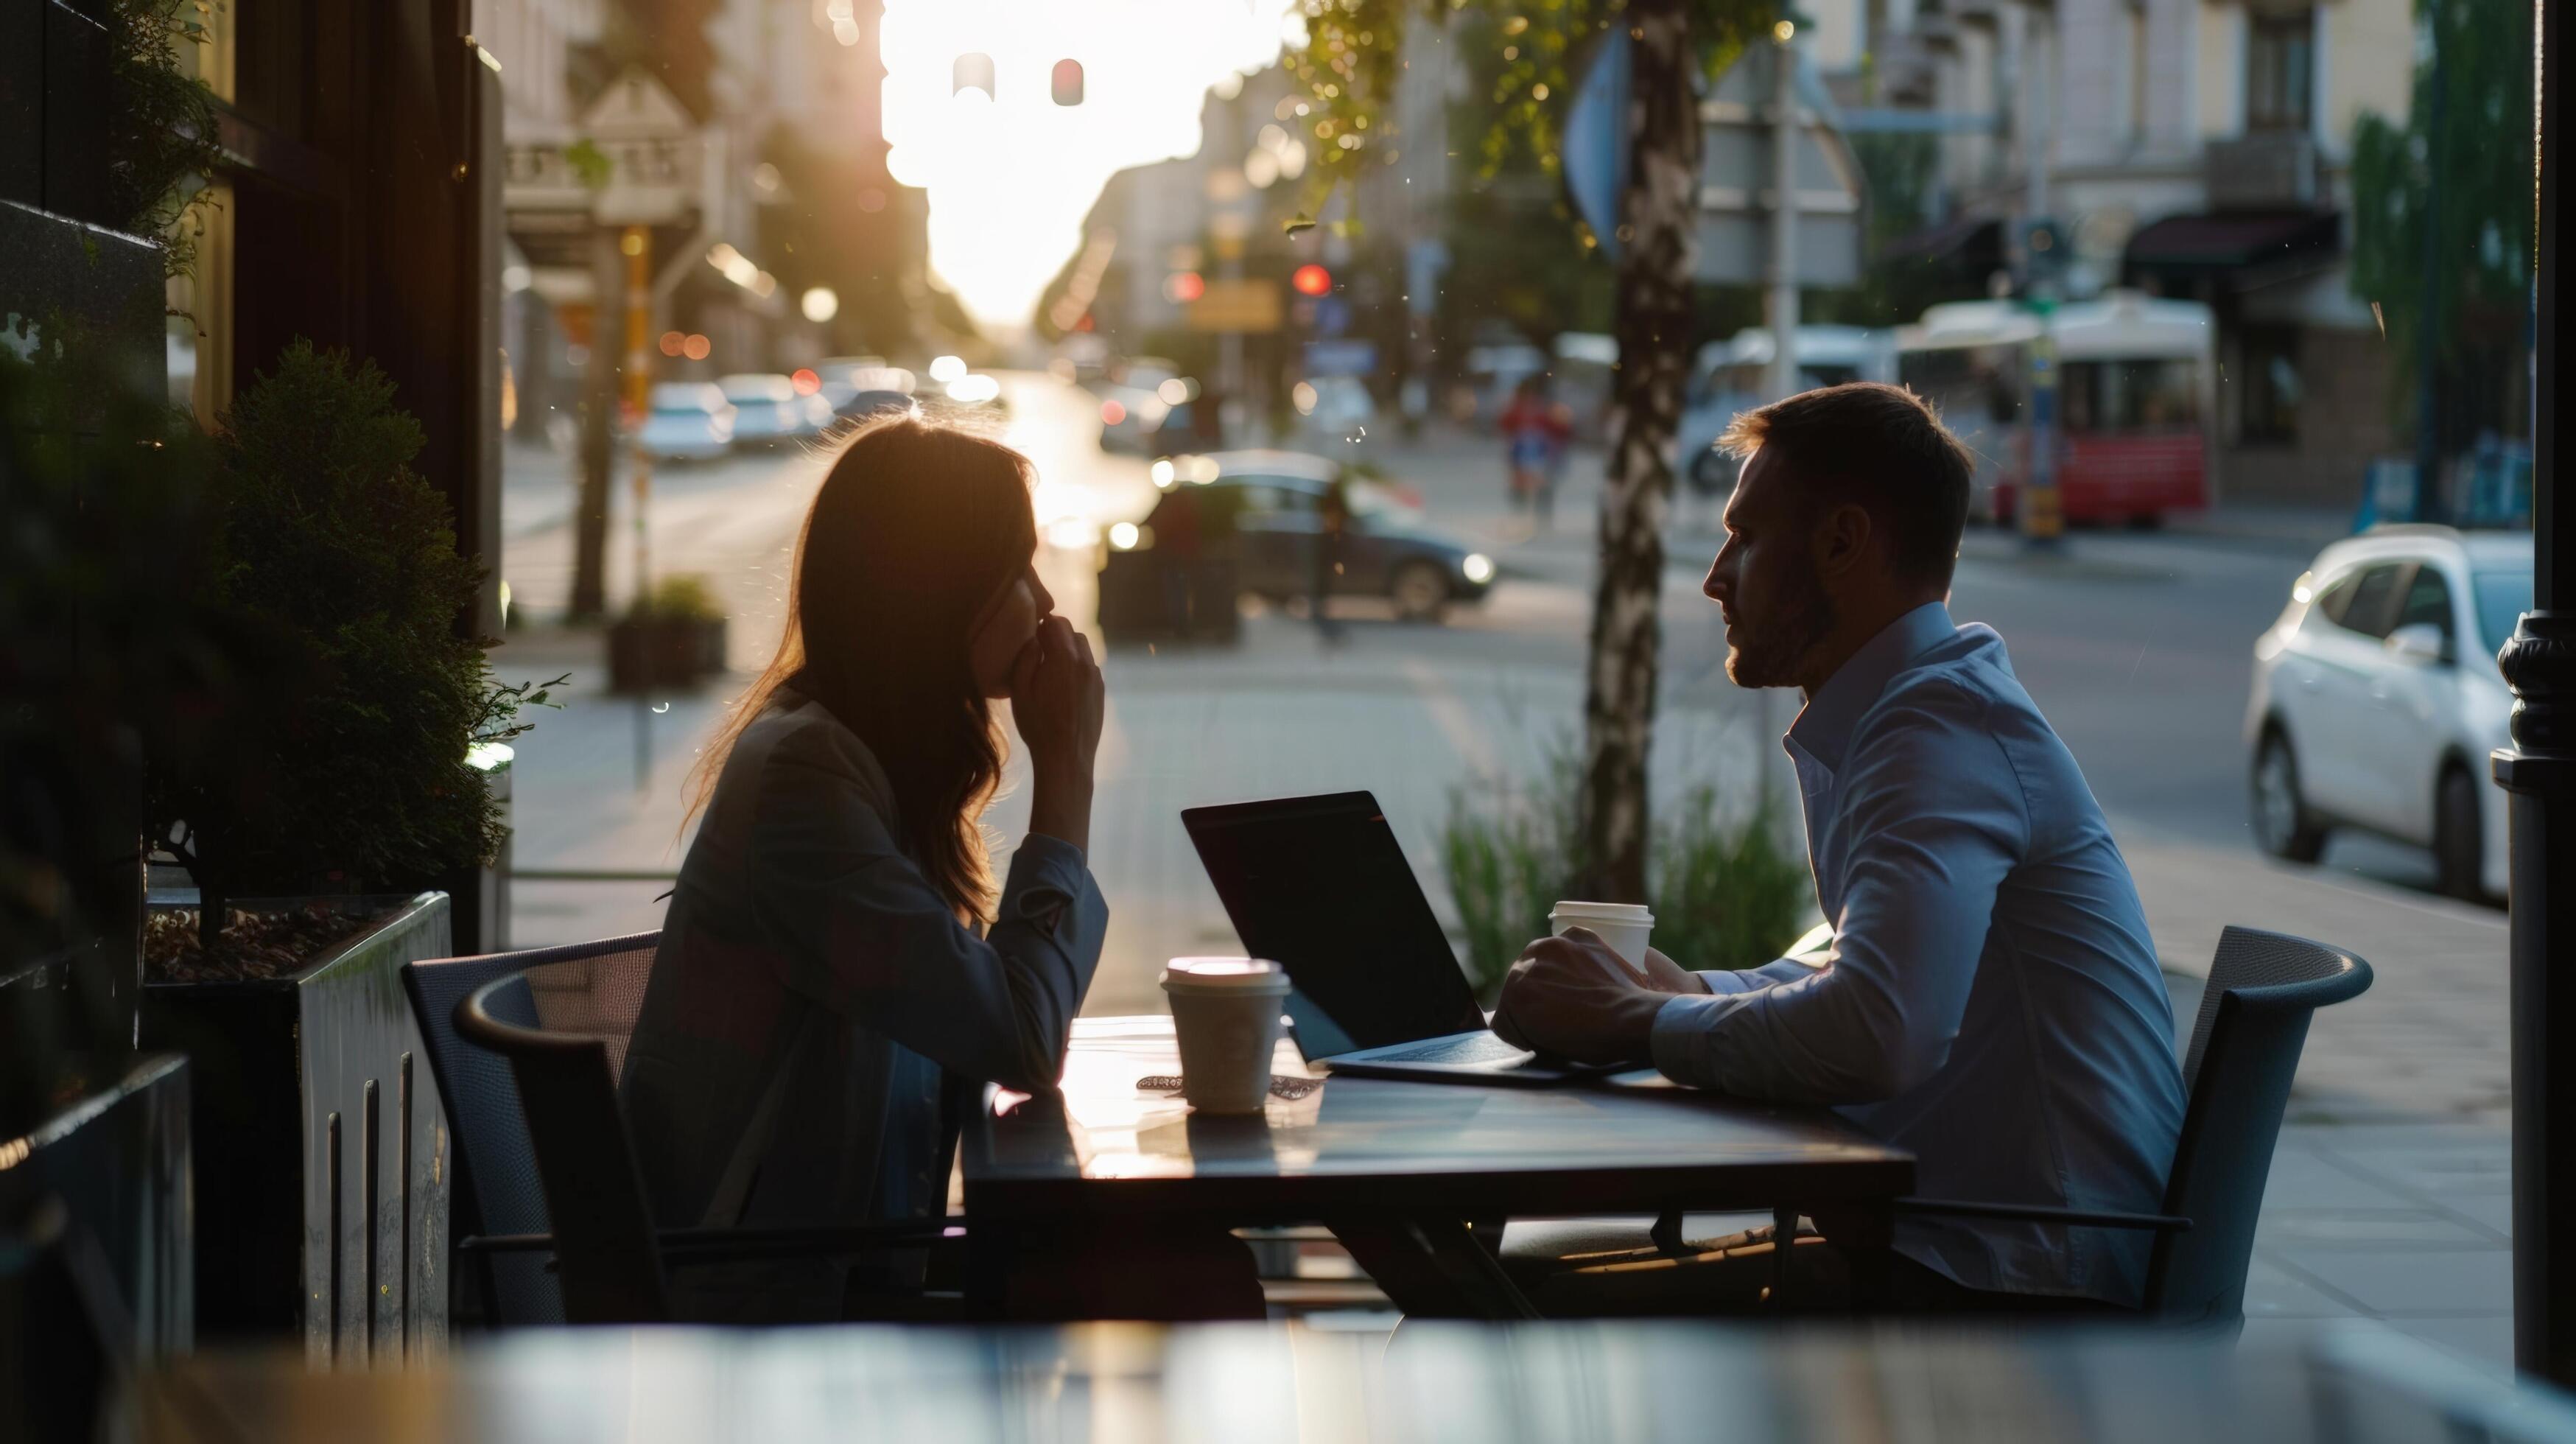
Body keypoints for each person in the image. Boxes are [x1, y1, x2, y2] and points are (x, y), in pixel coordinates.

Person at [1494, 382, 2188, 1315]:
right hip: (1980, 1247)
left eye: (1744, 536)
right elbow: (1853, 968)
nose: (1714, 575)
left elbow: (1878, 1029)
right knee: (1523, 1293)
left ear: (1840, 541)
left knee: (1519, 1304)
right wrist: (1687, 993)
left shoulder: (1935, 733)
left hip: (2015, 1282)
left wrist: (1630, 1019)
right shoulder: (1924, 711)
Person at [619, 415, 1108, 1322]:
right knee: (1157, 1285)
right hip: (765, 1302)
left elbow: (983, 1027)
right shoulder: (804, 781)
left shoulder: (857, 755)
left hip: (843, 1266)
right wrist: (1067, 774)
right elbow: (1022, 1039)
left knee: (1157, 1275)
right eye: (1015, 568)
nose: (1042, 601)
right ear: (935, 592)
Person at [1498, 374, 1571, 525]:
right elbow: (1505, 425)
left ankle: (1539, 514)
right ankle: (1522, 513)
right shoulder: (1519, 408)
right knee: (1521, 481)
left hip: (1540, 450)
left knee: (1541, 482)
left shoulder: (1546, 409)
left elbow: (1560, 430)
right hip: (1524, 449)